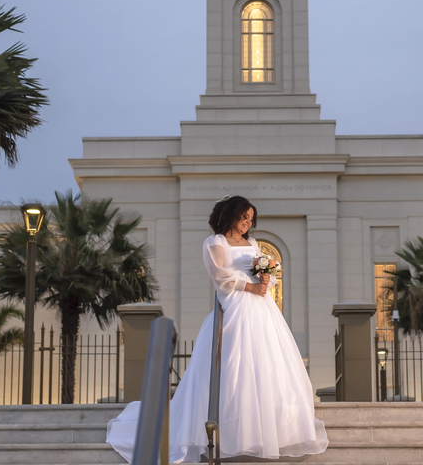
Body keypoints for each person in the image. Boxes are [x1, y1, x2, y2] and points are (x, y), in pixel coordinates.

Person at [106, 195, 327, 463]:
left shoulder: (252, 243)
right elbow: (221, 276)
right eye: (243, 216)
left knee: (266, 362)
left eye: (250, 218)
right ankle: (229, 429)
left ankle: (264, 430)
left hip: (262, 306)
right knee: (232, 363)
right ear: (230, 215)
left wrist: (264, 278)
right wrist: (251, 286)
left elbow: (257, 269)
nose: (247, 222)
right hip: (234, 305)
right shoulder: (215, 243)